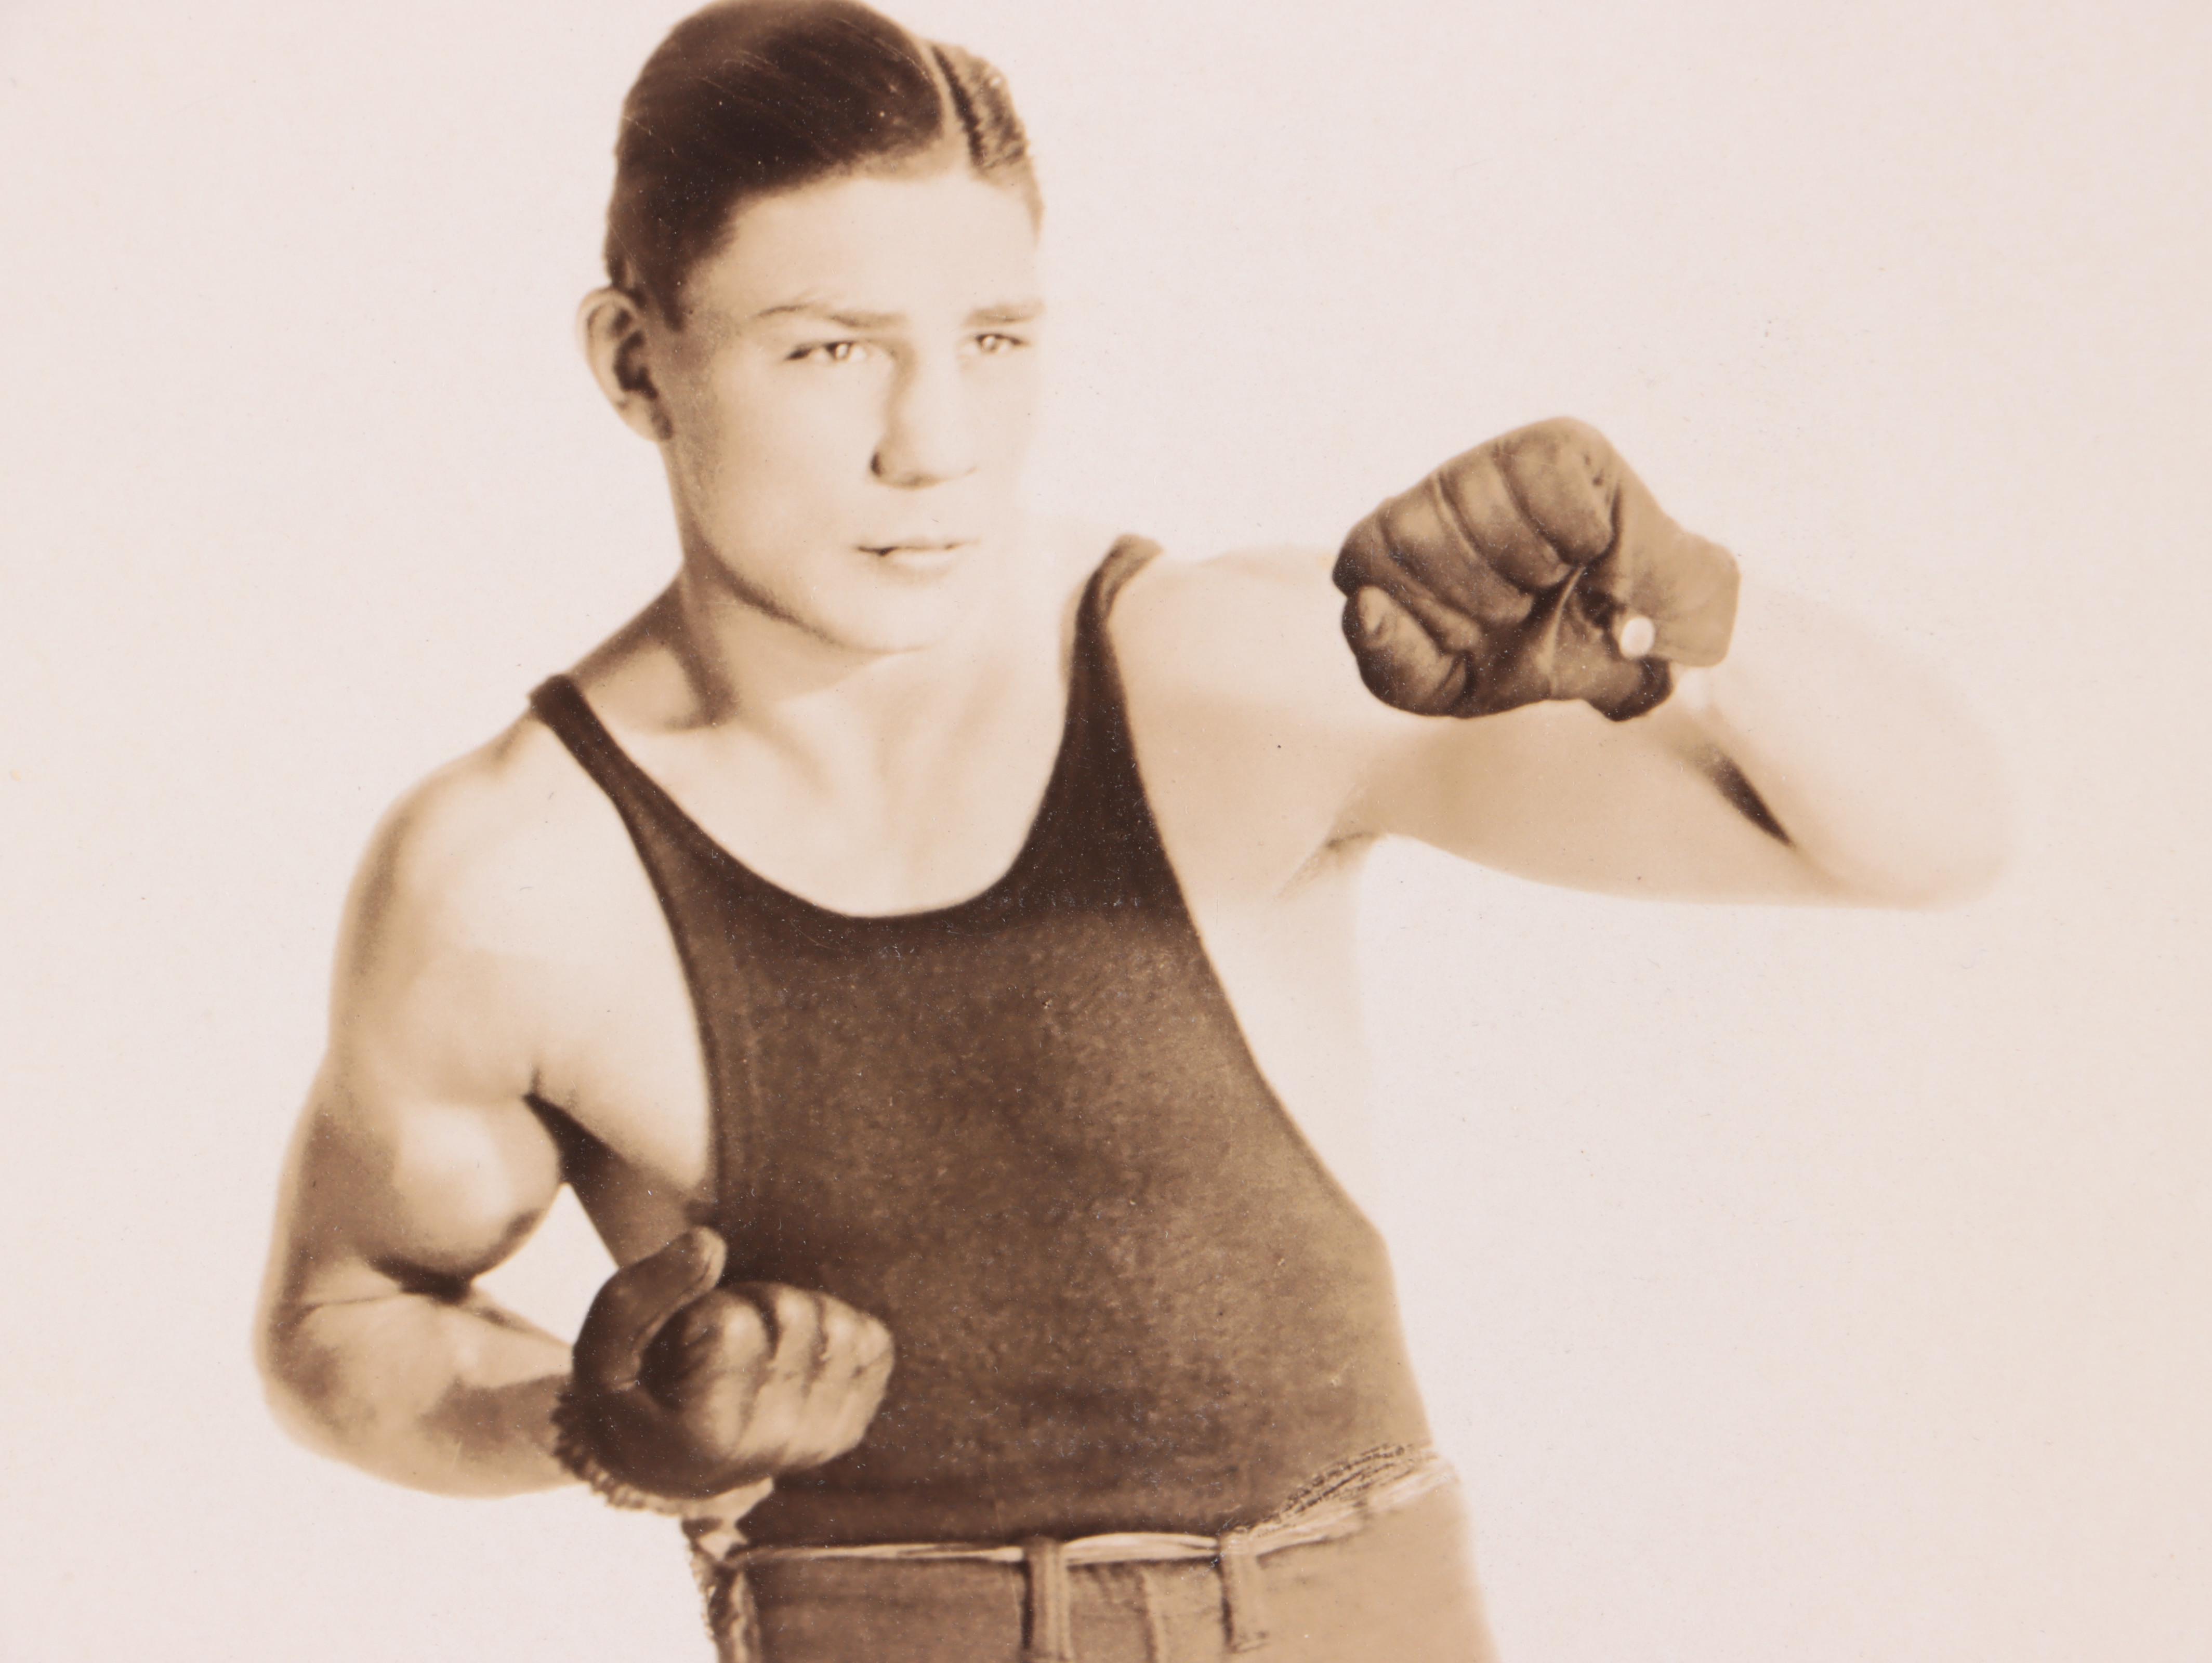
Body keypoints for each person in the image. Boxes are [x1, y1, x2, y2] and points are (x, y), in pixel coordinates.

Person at [254, 3, 2006, 1658]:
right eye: (832, 350)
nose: (934, 444)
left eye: (994, 342)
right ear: (639, 363)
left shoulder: (1213, 675)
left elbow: (1929, 845)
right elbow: (340, 1325)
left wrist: (1694, 622)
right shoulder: (509, 872)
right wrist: (591, 1427)